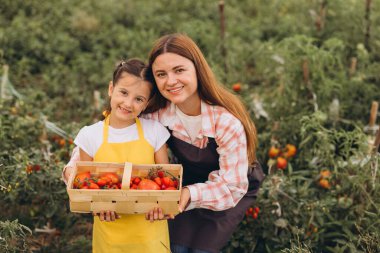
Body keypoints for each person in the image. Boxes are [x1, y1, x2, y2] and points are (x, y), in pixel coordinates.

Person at [141, 33, 265, 253]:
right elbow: (113, 131)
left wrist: (189, 194)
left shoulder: (225, 122)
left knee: (200, 249)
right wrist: (76, 166)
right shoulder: (157, 115)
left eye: (179, 70)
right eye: (161, 74)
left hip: (230, 185)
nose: (171, 81)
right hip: (188, 179)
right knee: (173, 246)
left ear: (197, 69)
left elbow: (231, 186)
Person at [63, 59, 171, 253]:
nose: (128, 103)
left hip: (149, 234)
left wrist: (160, 208)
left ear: (147, 103)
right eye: (123, 92)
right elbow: (86, 188)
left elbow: (166, 184)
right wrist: (98, 205)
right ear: (111, 89)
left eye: (139, 99)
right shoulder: (90, 135)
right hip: (110, 236)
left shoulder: (154, 132)